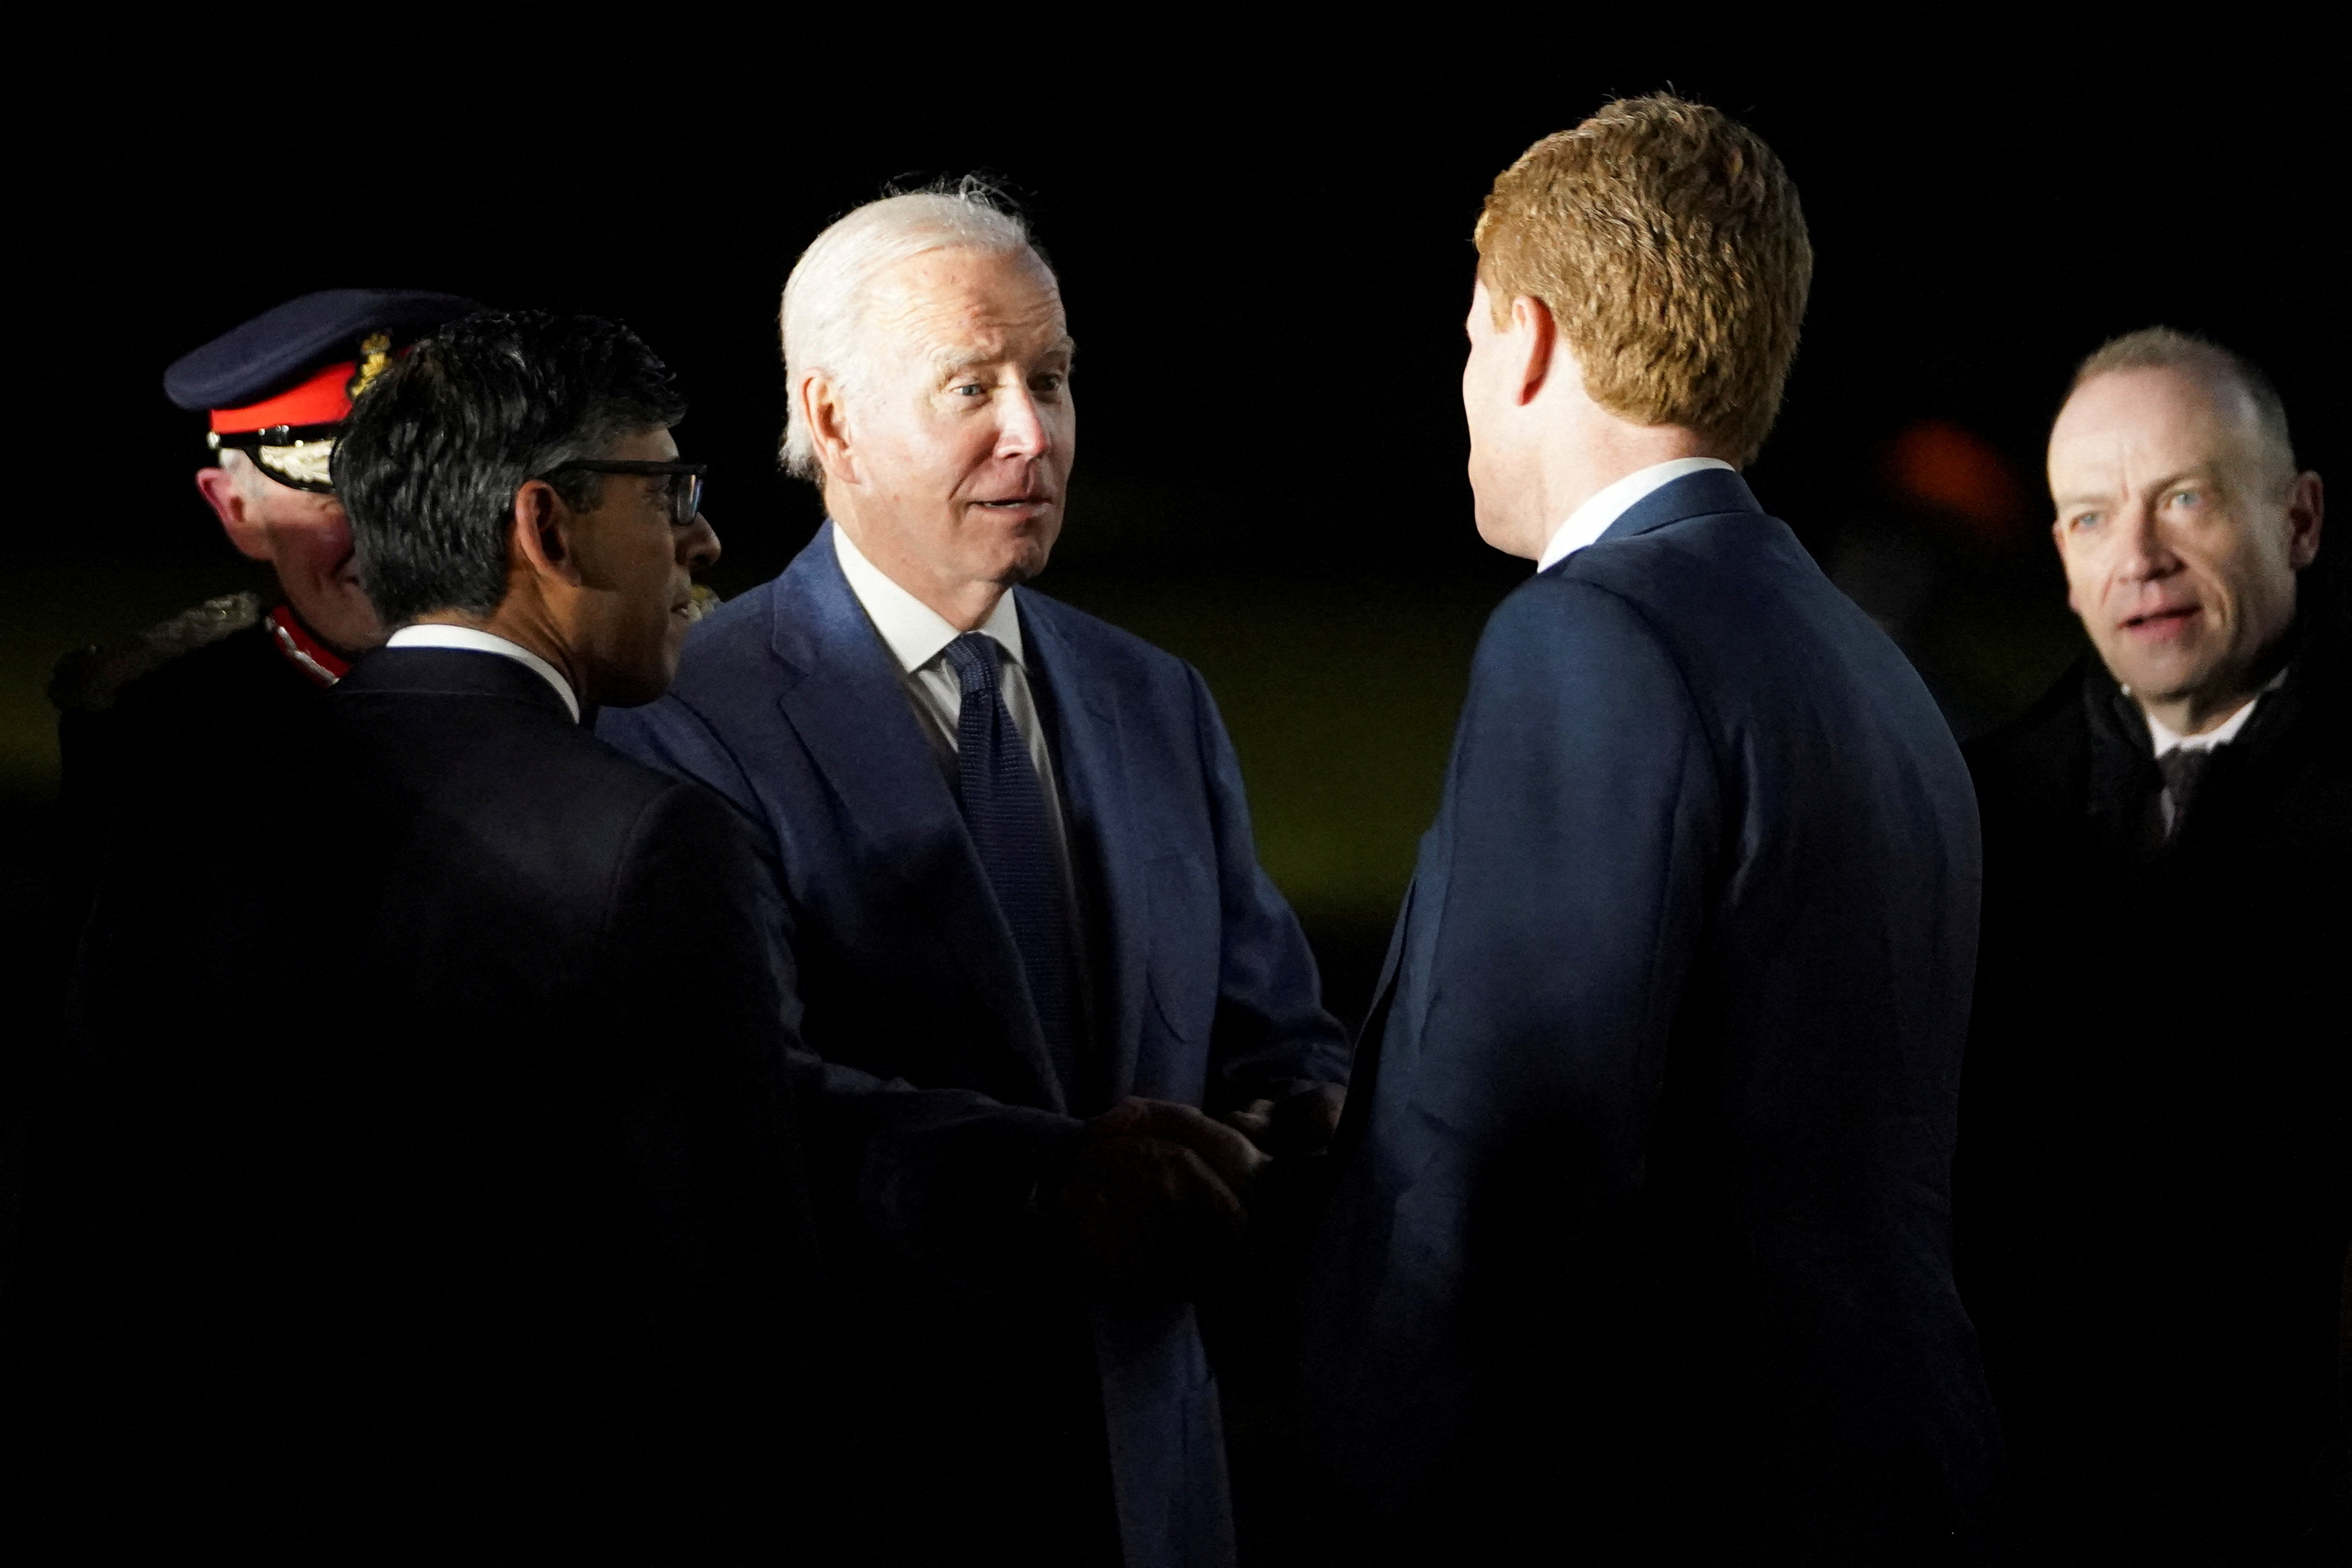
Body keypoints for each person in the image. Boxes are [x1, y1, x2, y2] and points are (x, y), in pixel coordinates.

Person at [598, 183, 1350, 1567]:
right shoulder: (687, 716)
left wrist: (1307, 1113)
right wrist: (1051, 1186)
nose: (1033, 431)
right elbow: (738, 1101)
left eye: (1051, 379)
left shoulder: (1155, 699)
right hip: (872, 1482)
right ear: (828, 419)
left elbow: (1274, 1029)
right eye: (973, 386)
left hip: (1157, 1495)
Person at [1298, 96, 2003, 1563]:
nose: (1470, 379)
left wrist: (1355, 1465)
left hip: (1670, 1488)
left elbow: (1517, 1157)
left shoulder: (1591, 636)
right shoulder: (1871, 665)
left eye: (1473, 333)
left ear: (1535, 336)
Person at [13, 310, 820, 1555]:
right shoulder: (646, 837)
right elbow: (734, 1292)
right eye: (667, 493)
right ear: (545, 526)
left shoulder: (199, 799)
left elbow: (118, 1202)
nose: (703, 537)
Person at [1956, 327, 2347, 1562]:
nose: (2138, 558)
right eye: (2087, 517)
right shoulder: (1978, 818)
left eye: (2183, 499)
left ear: (2297, 517)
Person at [49, 288, 474, 891]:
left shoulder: (604, 688)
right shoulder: (170, 744)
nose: (391, 535)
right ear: (237, 511)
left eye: (423, 489)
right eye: (337, 498)